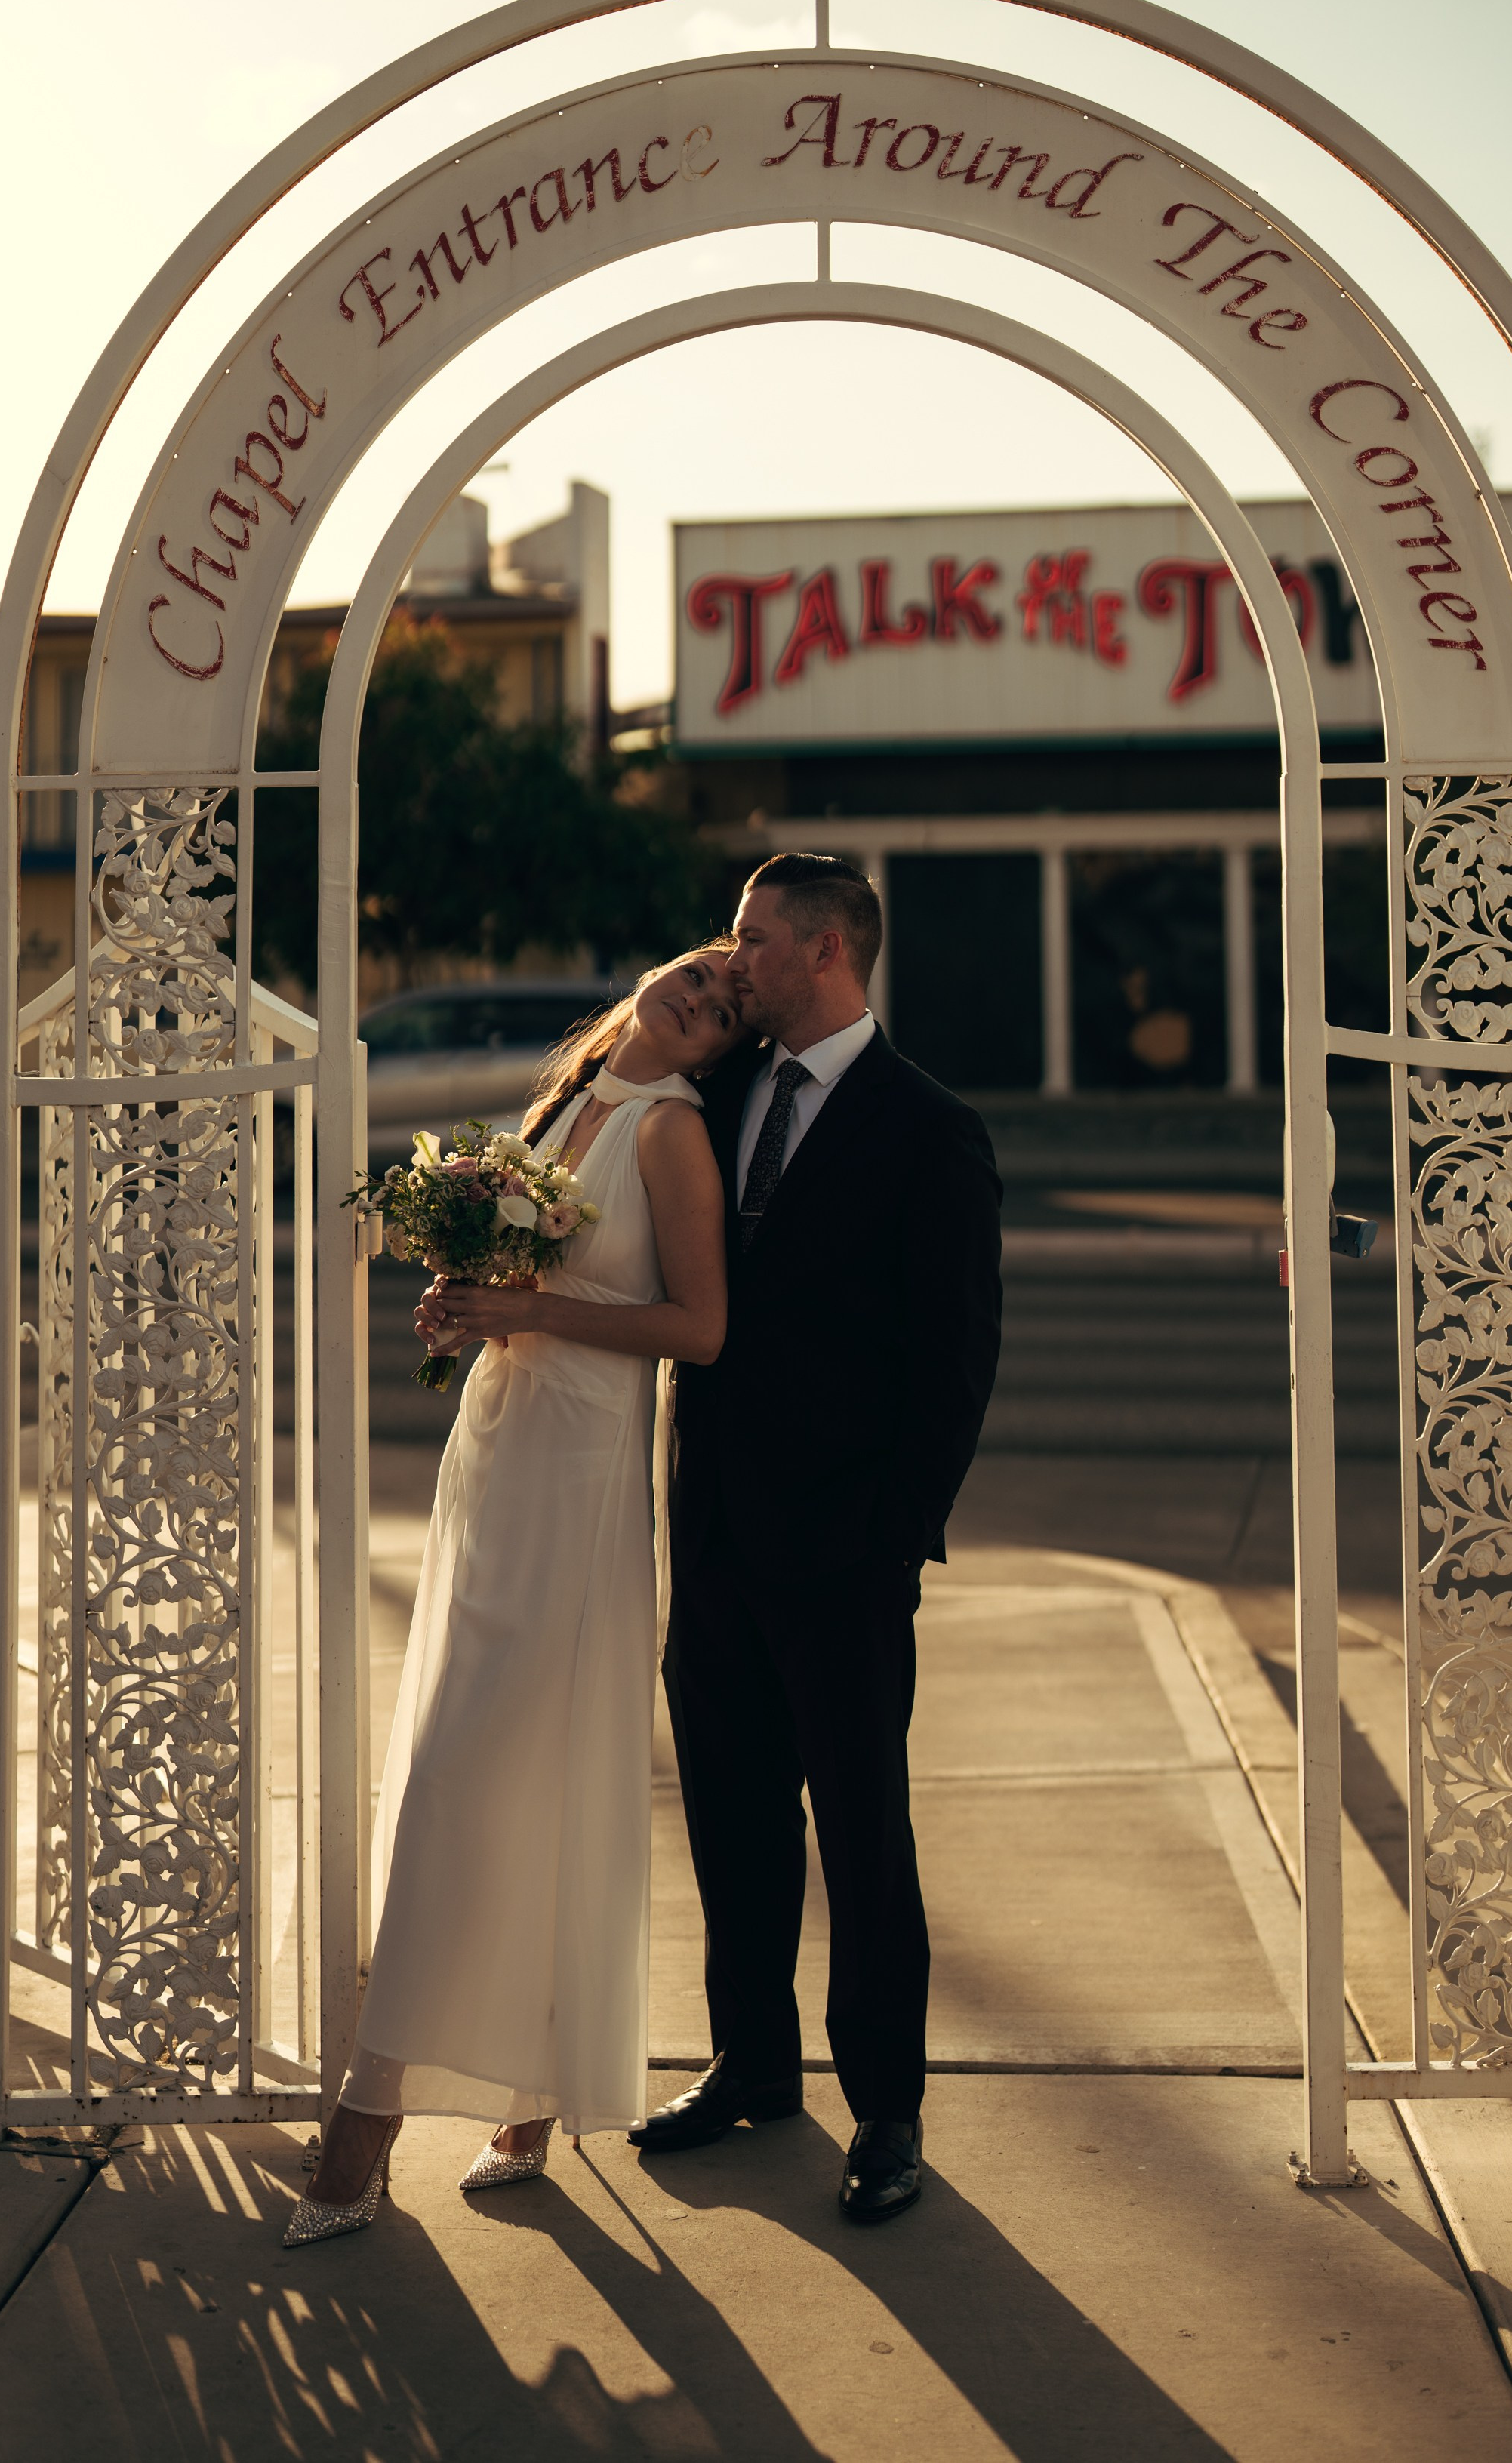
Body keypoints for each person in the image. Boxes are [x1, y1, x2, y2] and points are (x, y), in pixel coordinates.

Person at [282, 944, 750, 2247]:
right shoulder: (571, 1098)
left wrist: (525, 1313)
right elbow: (533, 1286)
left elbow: (699, 1329)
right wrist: (475, 1309)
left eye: (725, 1010)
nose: (700, 999)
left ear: (723, 1050)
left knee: (459, 1779)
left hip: (578, 1471)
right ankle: (530, 2103)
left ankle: (362, 2130)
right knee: (496, 1772)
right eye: (697, 973)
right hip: (498, 1441)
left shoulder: (672, 1134)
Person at [630, 854, 1002, 2224]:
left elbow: (956, 1361)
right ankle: (751, 2066)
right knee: (732, 1820)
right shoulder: (716, 1093)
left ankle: (887, 2112)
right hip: (714, 1536)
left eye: (753, 938)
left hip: (846, 1555)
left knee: (863, 1837)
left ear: (828, 949)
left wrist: (894, 1538)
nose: (732, 959)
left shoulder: (931, 1128)